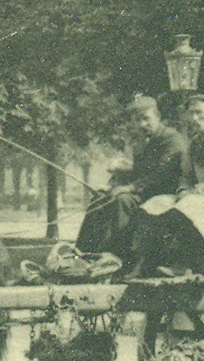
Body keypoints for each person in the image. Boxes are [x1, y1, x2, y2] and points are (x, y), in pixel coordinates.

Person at [130, 92, 204, 275]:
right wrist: (184, 189)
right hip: (198, 198)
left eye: (200, 113)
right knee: (155, 203)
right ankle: (146, 262)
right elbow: (186, 176)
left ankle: (184, 264)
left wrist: (197, 190)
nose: (194, 118)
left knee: (188, 204)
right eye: (191, 114)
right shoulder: (194, 143)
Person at [75, 95, 185, 263]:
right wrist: (113, 185)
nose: (142, 125)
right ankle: (80, 254)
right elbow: (137, 171)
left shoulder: (171, 139)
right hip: (143, 191)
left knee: (123, 201)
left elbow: (163, 174)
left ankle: (116, 258)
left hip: (164, 192)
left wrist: (130, 188)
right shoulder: (141, 142)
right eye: (137, 120)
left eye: (146, 119)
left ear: (158, 117)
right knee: (100, 200)